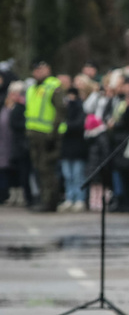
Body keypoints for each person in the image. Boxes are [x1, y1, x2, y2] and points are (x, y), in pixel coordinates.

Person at [25, 60, 66, 212]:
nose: (38, 73)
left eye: (41, 69)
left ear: (48, 69)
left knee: (47, 168)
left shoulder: (53, 86)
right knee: (38, 168)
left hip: (48, 135)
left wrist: (53, 135)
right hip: (34, 135)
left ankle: (50, 201)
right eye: (35, 70)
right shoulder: (32, 88)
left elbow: (60, 111)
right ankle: (43, 199)